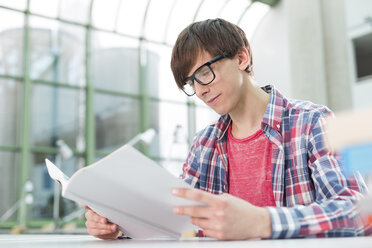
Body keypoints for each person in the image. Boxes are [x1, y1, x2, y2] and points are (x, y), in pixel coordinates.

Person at [84, 18, 368, 240]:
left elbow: (359, 212)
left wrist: (262, 222)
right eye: (191, 82)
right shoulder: (204, 143)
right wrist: (118, 225)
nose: (201, 90)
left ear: (242, 58)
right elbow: (179, 223)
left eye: (204, 72)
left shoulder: (314, 121)